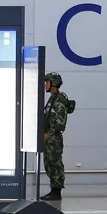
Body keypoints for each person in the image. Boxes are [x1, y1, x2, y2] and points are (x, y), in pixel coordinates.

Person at [40, 72, 73, 201]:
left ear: (53, 84)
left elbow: (60, 122)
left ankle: (56, 191)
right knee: (48, 163)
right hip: (48, 138)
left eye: (47, 82)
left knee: (55, 163)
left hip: (53, 138)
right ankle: (53, 189)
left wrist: (49, 133)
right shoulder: (52, 98)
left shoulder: (59, 100)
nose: (45, 85)